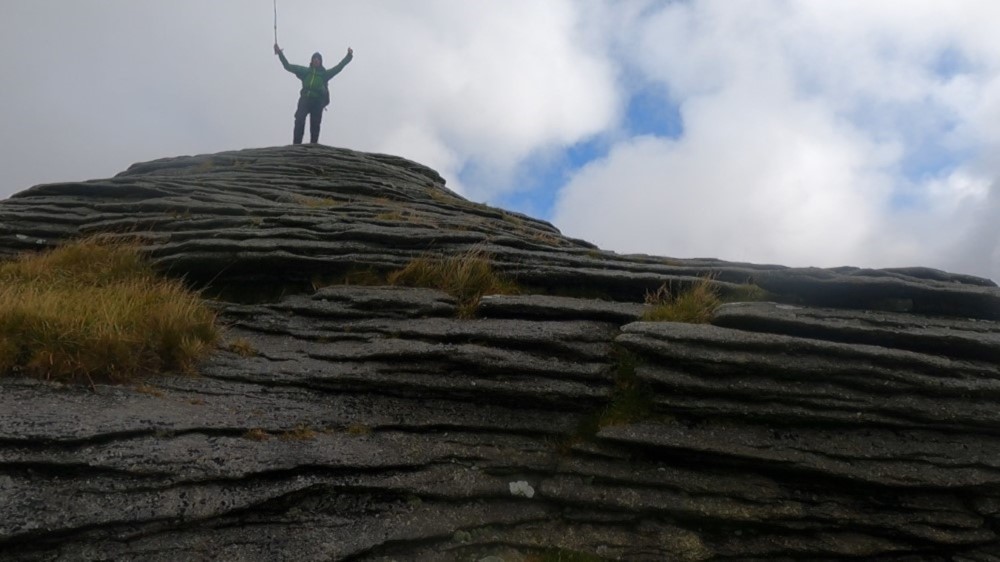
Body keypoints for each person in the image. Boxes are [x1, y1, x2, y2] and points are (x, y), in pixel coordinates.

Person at [274, 44, 353, 144]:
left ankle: (313, 145)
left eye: (318, 59)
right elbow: (288, 66)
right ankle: (296, 144)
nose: (316, 60)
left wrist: (348, 56)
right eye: (314, 58)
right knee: (299, 120)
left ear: (320, 62)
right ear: (311, 61)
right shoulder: (305, 71)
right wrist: (280, 53)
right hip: (305, 99)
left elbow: (339, 67)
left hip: (317, 101)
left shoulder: (324, 74)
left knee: (315, 124)